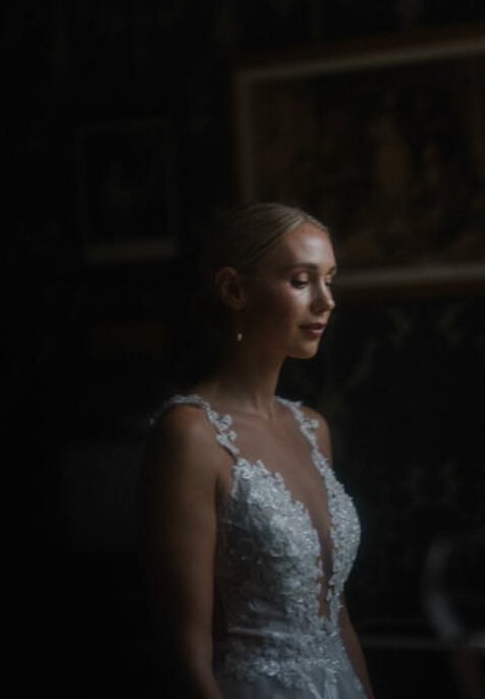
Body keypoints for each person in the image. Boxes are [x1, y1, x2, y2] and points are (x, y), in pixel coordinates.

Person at [138, 202, 375, 699]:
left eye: (329, 279)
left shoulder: (313, 428)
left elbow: (337, 617)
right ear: (234, 290)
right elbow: (184, 649)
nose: (326, 301)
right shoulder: (191, 435)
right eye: (301, 280)